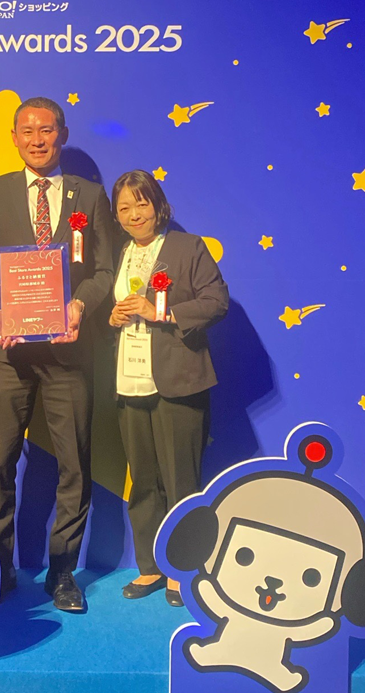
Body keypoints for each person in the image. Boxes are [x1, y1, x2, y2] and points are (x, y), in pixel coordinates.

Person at [0, 96, 116, 612]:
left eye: (47, 130)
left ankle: (62, 572)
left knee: (74, 464)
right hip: (8, 357)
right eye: (27, 131)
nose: (37, 140)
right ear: (14, 138)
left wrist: (80, 306)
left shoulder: (89, 196)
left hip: (68, 355)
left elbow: (104, 269)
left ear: (63, 134)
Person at [107, 169, 228, 605]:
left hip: (177, 380)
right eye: (124, 208)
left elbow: (217, 302)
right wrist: (113, 318)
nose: (134, 214)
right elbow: (118, 310)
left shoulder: (187, 247)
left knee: (181, 481)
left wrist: (162, 312)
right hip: (130, 379)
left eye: (141, 203)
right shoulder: (121, 253)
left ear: (158, 205)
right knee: (142, 481)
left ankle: (183, 568)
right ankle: (150, 567)